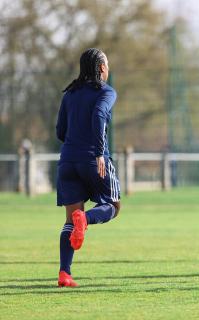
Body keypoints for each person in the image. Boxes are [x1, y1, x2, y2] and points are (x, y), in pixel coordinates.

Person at [55, 48, 121, 287]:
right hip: (93, 160)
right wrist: (99, 152)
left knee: (69, 221)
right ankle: (86, 218)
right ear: (102, 68)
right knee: (112, 205)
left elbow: (60, 131)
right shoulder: (106, 91)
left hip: (67, 161)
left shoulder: (69, 94)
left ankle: (65, 273)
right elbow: (99, 114)